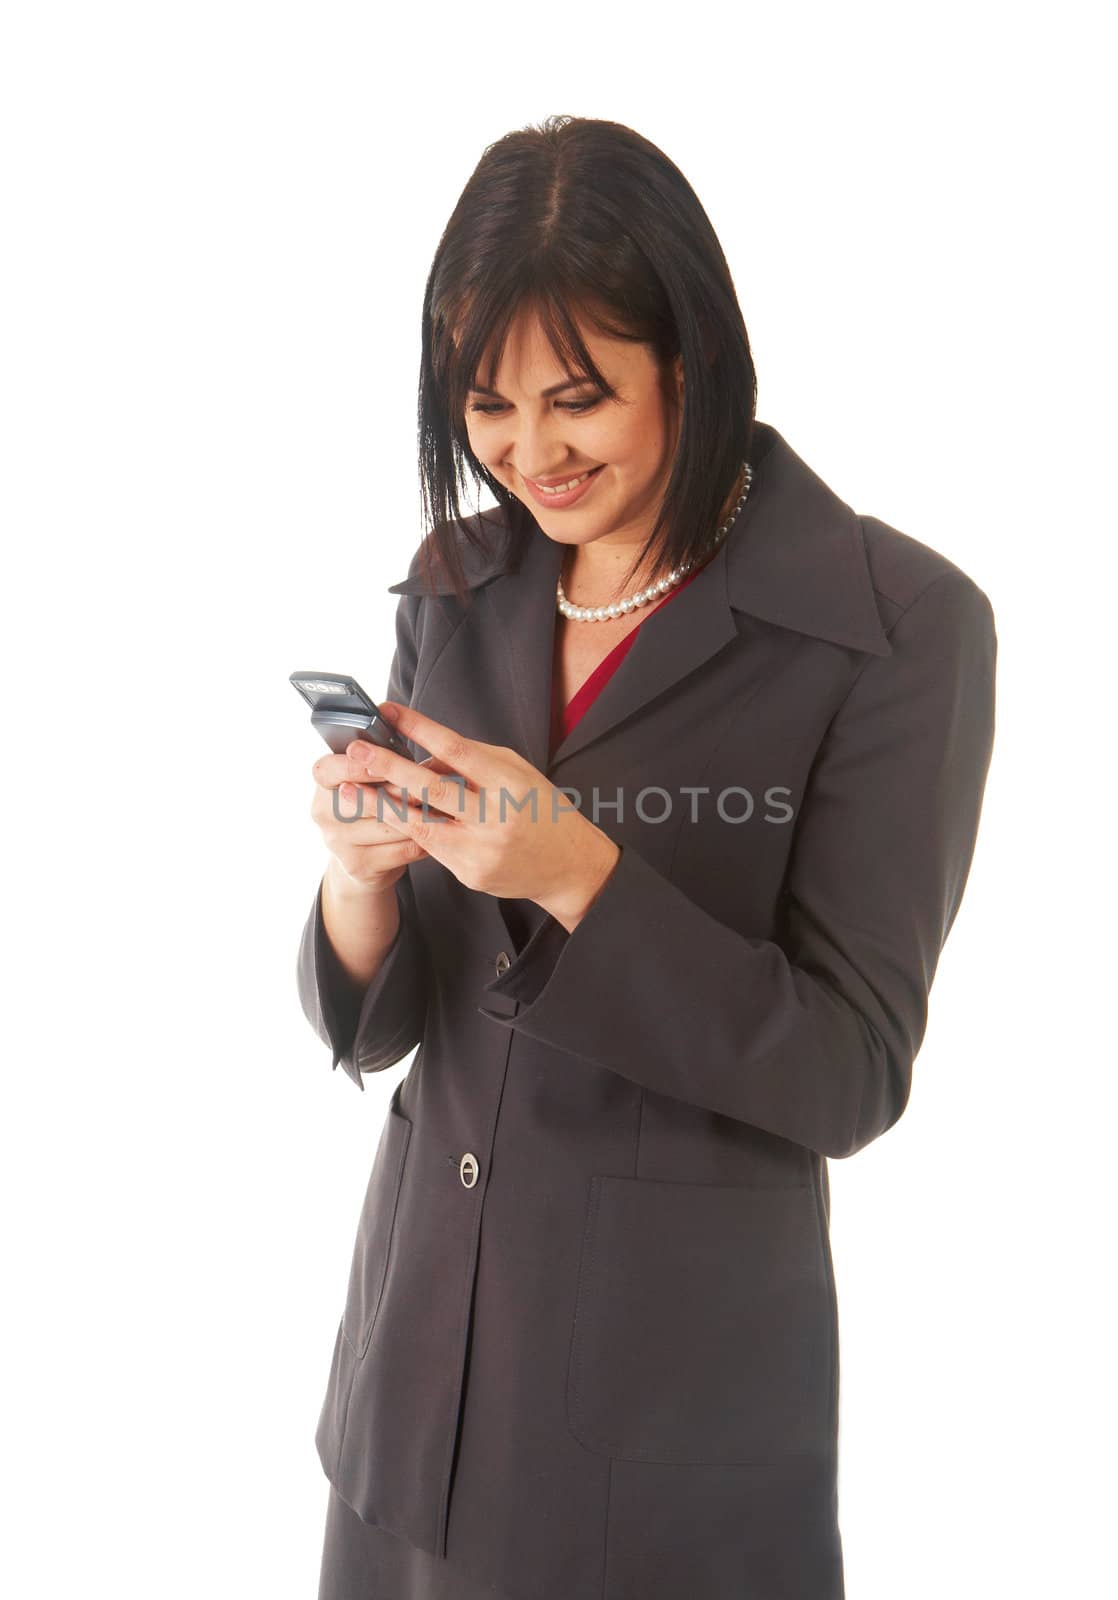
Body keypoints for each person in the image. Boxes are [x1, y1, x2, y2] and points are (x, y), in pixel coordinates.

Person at [297, 114, 997, 1600]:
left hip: (661, 1415)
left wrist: (576, 875)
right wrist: (360, 881)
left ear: (689, 356)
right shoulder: (459, 586)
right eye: (485, 406)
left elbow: (849, 1070)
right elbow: (404, 1013)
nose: (528, 455)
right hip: (417, 1378)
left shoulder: (893, 623)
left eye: (578, 401)